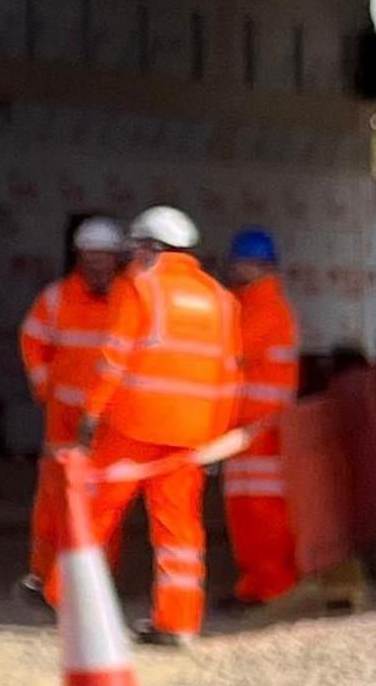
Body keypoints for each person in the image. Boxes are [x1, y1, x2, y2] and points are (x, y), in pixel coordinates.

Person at [75, 205, 242, 646]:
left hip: (133, 427)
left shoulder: (139, 289)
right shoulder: (223, 301)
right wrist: (215, 441)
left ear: (151, 249)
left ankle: (72, 606)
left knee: (95, 514)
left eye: (136, 249)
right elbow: (229, 378)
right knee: (180, 533)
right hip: (191, 437)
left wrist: (92, 412)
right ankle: (178, 623)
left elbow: (113, 359)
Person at [14, 217, 128, 601]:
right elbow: (32, 340)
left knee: (102, 502)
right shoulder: (56, 297)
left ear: (117, 258)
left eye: (104, 257)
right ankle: (43, 576)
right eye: (90, 257)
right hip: (63, 420)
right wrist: (46, 386)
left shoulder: (132, 300)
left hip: (109, 419)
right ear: (79, 257)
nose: (97, 264)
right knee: (52, 502)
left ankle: (95, 581)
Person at [221, 226, 306, 604]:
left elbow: (231, 351)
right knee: (244, 512)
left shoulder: (267, 308)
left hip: (264, 429)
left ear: (262, 266)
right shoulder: (246, 305)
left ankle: (274, 584)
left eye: (246, 262)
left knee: (264, 512)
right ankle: (255, 583)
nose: (239, 269)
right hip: (245, 428)